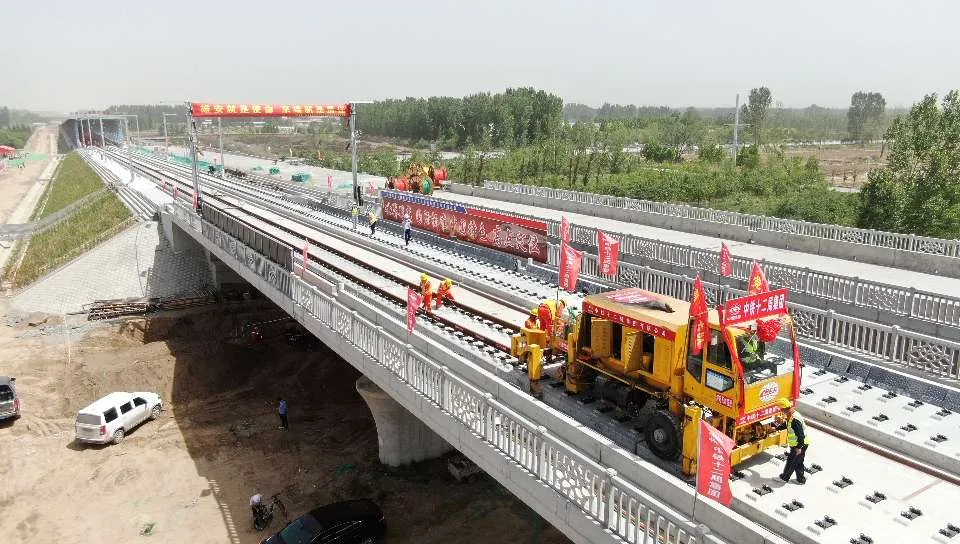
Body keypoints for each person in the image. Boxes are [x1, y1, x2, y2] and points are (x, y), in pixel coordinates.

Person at [777, 398, 810, 484]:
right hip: (802, 444)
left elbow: (800, 435)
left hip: (799, 445)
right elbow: (788, 425)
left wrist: (799, 447)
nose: (781, 411)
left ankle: (784, 478)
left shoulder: (795, 419)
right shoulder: (793, 415)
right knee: (799, 462)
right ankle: (801, 479)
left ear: (784, 409)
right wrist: (776, 428)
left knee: (791, 462)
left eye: (781, 409)